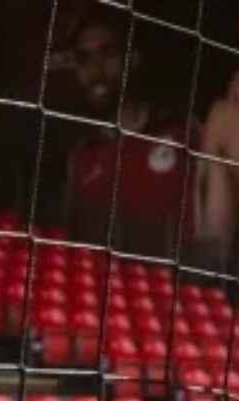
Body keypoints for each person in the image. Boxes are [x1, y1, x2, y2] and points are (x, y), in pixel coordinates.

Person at [65, 3, 200, 259]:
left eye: (109, 54)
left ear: (134, 58)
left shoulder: (183, 131)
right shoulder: (81, 156)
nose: (96, 70)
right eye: (84, 59)